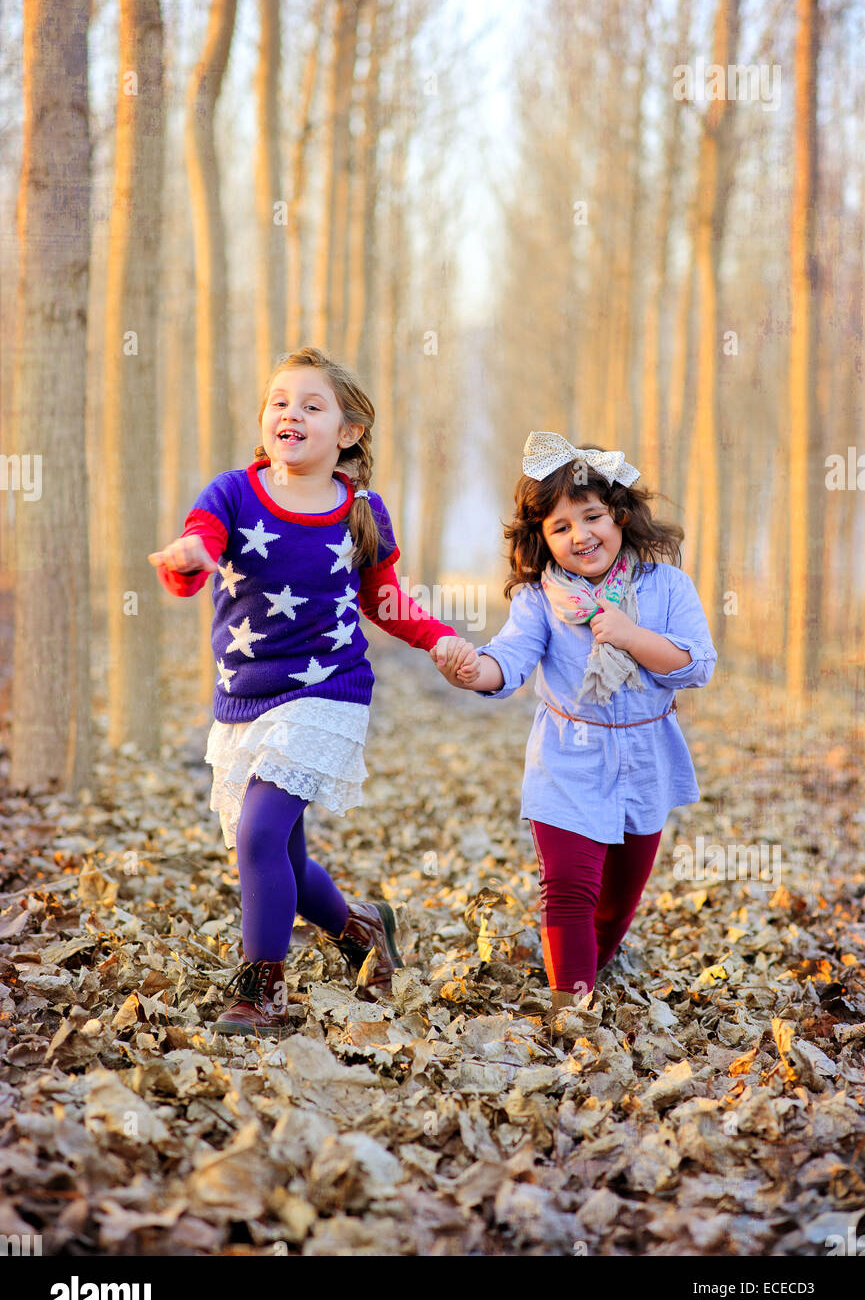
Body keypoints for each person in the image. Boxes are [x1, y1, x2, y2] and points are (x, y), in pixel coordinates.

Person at [149, 346, 475, 1036]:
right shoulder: (232, 492)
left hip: (328, 691)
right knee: (284, 855)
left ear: (347, 433)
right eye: (279, 401)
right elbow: (197, 549)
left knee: (259, 834)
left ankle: (262, 988)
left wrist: (438, 638)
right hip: (245, 697)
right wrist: (187, 562)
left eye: (310, 404)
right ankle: (360, 928)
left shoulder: (361, 511)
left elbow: (383, 598)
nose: (289, 413)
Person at [434, 432, 717, 1021]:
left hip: (645, 756)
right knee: (567, 890)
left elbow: (697, 665)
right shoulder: (540, 601)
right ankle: (573, 1009)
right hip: (568, 755)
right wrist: (475, 670)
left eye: (591, 518)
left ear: (619, 517)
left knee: (614, 906)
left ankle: (596, 959)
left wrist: (631, 635)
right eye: (560, 528)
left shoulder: (667, 587)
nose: (580, 536)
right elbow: (509, 659)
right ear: (541, 540)